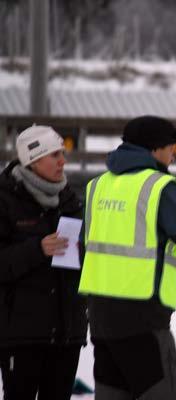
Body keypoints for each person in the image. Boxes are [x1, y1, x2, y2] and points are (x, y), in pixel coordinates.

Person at [78, 115, 176, 399]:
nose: (173, 156)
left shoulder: (97, 186)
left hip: (102, 323)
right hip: (144, 322)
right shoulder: (159, 187)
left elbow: (84, 248)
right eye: (170, 148)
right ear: (154, 150)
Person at [0, 125, 87, 400]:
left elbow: (82, 262)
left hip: (66, 334)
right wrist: (37, 249)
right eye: (54, 155)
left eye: (62, 153)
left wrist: (83, 251)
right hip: (21, 335)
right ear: (32, 160)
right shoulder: (4, 200)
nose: (63, 160)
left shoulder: (69, 199)